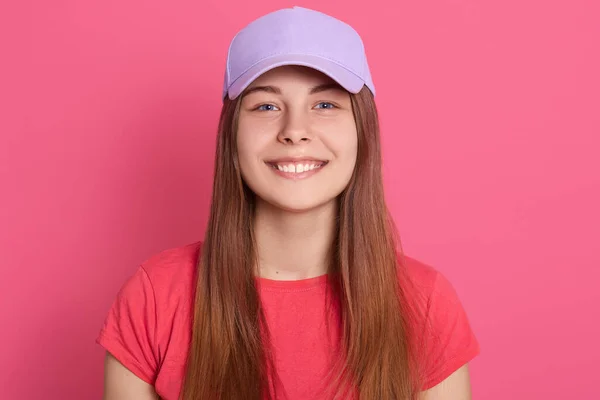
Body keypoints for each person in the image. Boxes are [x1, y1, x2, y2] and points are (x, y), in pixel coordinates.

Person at [97, 6, 480, 400]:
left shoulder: (426, 302)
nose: (295, 131)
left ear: (363, 131)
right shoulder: (155, 297)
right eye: (266, 106)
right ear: (232, 134)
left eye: (325, 105)